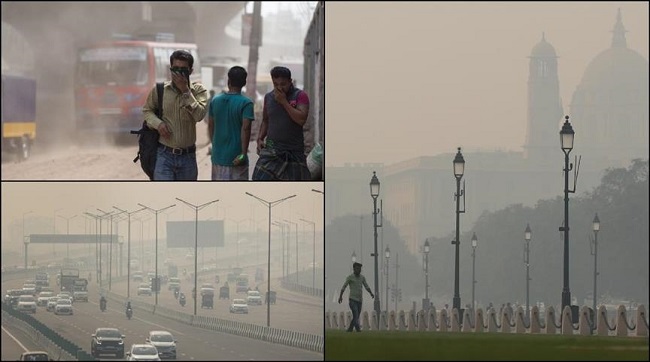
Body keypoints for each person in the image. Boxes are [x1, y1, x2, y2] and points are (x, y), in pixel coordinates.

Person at [143, 49, 208, 180]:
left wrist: (185, 91)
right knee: (164, 197)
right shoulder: (160, 90)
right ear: (170, 69)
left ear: (190, 71)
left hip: (188, 158)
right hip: (164, 155)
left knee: (185, 196)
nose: (178, 73)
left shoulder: (199, 91)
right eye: (175, 69)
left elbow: (199, 115)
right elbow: (147, 111)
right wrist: (158, 124)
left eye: (183, 69)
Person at [252, 66, 311, 180]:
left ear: (290, 81)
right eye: (275, 84)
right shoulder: (269, 97)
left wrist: (284, 102)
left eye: (283, 84)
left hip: (293, 151)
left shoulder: (300, 96)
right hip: (271, 150)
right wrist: (260, 138)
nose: (279, 88)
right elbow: (265, 120)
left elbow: (301, 120)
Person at [207, 66, 255, 180]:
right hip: (237, 159)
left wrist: (215, 147)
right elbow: (246, 128)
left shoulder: (215, 100)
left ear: (228, 81)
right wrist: (243, 153)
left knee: (220, 194)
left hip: (218, 158)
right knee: (237, 195)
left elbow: (210, 126)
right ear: (244, 82)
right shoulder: (246, 103)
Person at [338, 262, 374, 332]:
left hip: (359, 300)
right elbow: (344, 287)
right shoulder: (350, 277)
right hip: (352, 300)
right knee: (356, 313)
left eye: (360, 269)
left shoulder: (362, 278)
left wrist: (371, 293)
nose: (359, 270)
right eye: (357, 268)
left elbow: (366, 286)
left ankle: (350, 329)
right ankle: (358, 330)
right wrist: (340, 296)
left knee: (356, 316)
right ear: (354, 269)